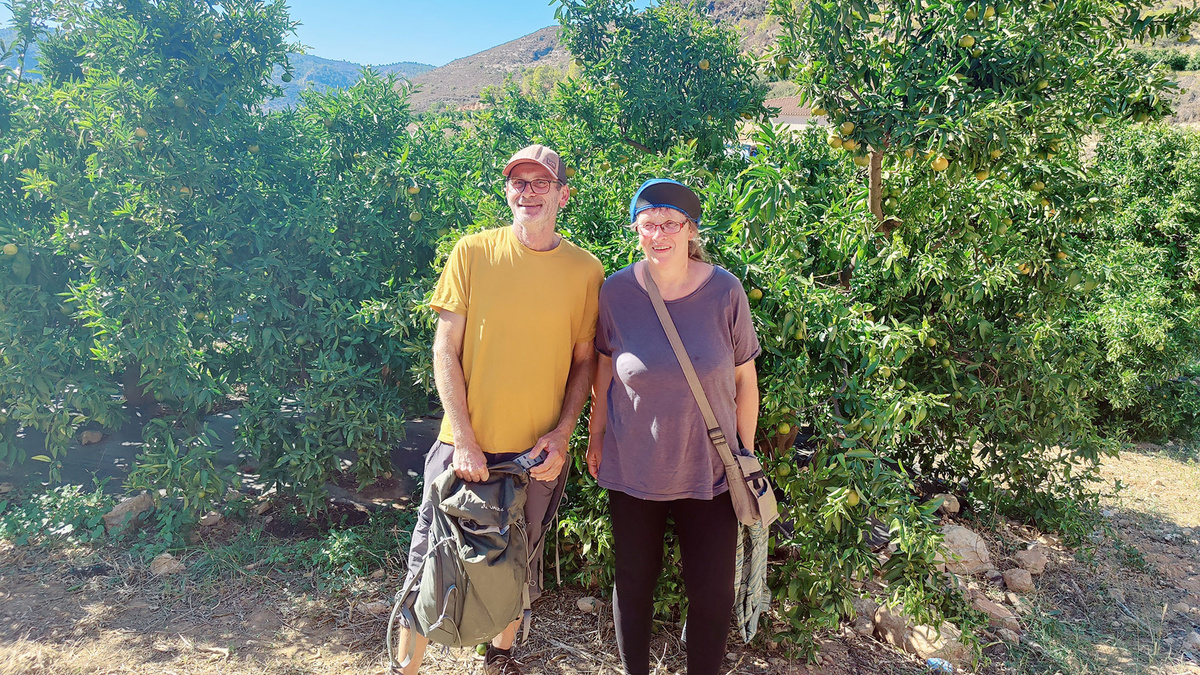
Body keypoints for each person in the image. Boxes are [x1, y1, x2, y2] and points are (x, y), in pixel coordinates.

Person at [395, 144, 604, 675]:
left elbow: (584, 362)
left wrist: (562, 435)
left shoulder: (586, 270)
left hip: (534, 457)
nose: (528, 192)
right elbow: (445, 348)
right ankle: (404, 669)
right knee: (431, 562)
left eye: (540, 183)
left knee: (518, 566)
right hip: (462, 446)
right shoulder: (473, 251)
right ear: (507, 190)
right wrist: (463, 438)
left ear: (563, 194)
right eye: (518, 182)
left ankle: (499, 660)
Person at [586, 179, 761, 675]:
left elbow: (746, 380)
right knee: (634, 581)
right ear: (636, 229)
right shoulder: (616, 292)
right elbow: (603, 368)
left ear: (690, 230)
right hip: (634, 466)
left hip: (710, 471)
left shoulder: (725, 290)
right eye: (648, 224)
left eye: (670, 224)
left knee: (711, 592)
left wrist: (744, 451)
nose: (658, 234)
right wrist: (595, 436)